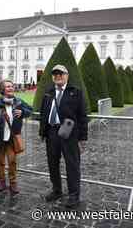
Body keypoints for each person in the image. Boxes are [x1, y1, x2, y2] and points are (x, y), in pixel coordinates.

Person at [39, 64, 88, 208]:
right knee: (52, 164)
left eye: (60, 73)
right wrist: (42, 132)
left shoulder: (75, 92)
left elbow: (82, 116)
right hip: (52, 133)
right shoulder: (48, 92)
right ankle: (57, 190)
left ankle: (74, 195)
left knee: (72, 165)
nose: (57, 76)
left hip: (70, 134)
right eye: (55, 74)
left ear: (67, 75)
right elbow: (43, 114)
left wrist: (82, 138)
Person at [0, 79, 33, 194]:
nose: (10, 88)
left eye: (12, 86)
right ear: (2, 90)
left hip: (12, 138)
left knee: (12, 161)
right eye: (8, 86)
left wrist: (23, 112)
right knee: (0, 162)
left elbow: (30, 109)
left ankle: (13, 183)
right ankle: (2, 181)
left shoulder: (19, 102)